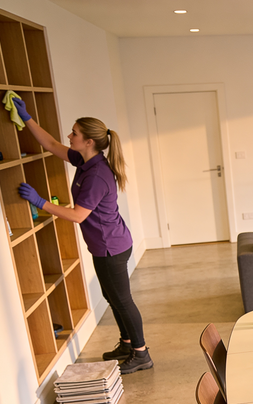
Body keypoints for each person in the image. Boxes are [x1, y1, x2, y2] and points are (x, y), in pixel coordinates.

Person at [10, 97, 152, 374]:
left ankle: (141, 353)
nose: (69, 136)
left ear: (88, 141)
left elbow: (77, 215)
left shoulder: (97, 175)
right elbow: (51, 145)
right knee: (112, 297)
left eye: (74, 133)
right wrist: (26, 118)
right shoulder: (85, 161)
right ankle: (127, 343)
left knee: (122, 300)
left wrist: (40, 202)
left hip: (111, 246)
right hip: (106, 244)